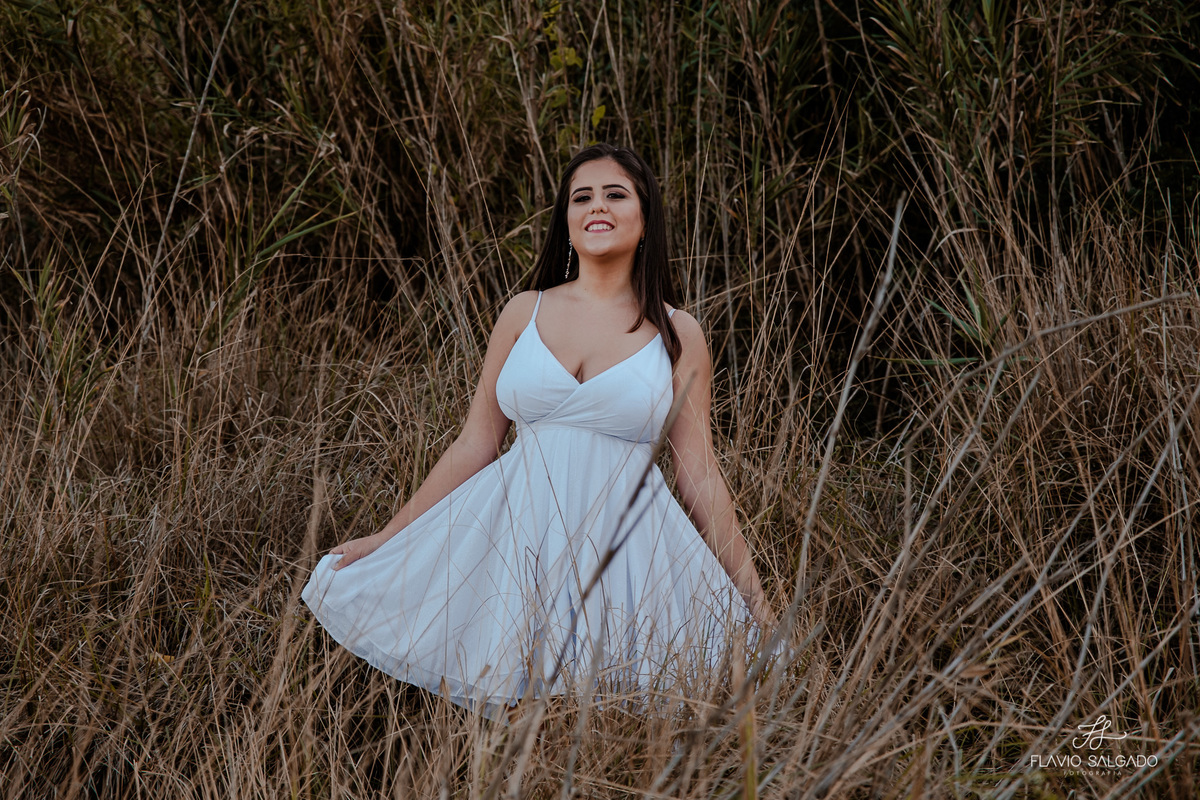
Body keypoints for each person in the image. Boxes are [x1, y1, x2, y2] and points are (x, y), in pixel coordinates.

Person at [302, 143, 775, 716]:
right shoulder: (523, 312)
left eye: (615, 194)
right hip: (514, 543)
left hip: (628, 555)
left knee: (603, 725)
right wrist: (386, 538)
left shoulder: (678, 333)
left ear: (646, 217)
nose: (596, 206)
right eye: (582, 197)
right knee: (513, 720)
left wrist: (757, 603)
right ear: (567, 222)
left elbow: (698, 473)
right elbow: (476, 443)